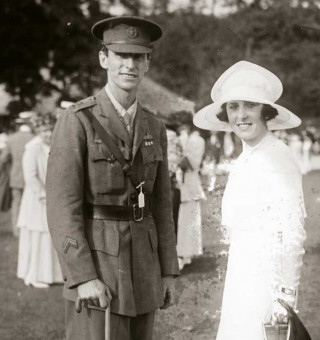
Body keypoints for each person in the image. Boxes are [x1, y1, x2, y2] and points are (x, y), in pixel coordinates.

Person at [46, 16, 179, 340]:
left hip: (145, 272)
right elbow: (62, 208)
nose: (129, 65)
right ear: (104, 59)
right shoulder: (78, 120)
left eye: (138, 57)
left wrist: (168, 271)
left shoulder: (154, 126)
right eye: (122, 56)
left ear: (147, 63)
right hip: (99, 274)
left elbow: (161, 207)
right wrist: (81, 277)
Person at [194, 61, 307, 339]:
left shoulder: (277, 157)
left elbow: (293, 234)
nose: (241, 115)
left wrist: (284, 301)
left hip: (266, 288)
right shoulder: (245, 158)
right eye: (233, 107)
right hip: (241, 280)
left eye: (250, 106)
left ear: (265, 112)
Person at [16, 112, 62, 288]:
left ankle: (50, 275)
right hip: (36, 200)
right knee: (37, 235)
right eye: (44, 131)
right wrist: (43, 195)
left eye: (50, 130)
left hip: (52, 197)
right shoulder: (32, 149)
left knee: (49, 236)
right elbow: (31, 177)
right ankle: (33, 275)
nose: (48, 134)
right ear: (38, 131)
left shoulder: (55, 147)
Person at [176, 126, 206, 270]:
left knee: (186, 219)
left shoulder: (193, 140)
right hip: (189, 183)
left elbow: (189, 163)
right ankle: (187, 254)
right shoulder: (196, 140)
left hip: (189, 184)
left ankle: (185, 254)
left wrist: (180, 161)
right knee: (188, 219)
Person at [0, 112, 34, 237]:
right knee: (31, 203)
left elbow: (3, 159)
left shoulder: (12, 139)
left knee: (17, 203)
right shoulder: (34, 138)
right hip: (32, 176)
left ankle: (16, 230)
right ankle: (28, 228)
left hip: (16, 176)